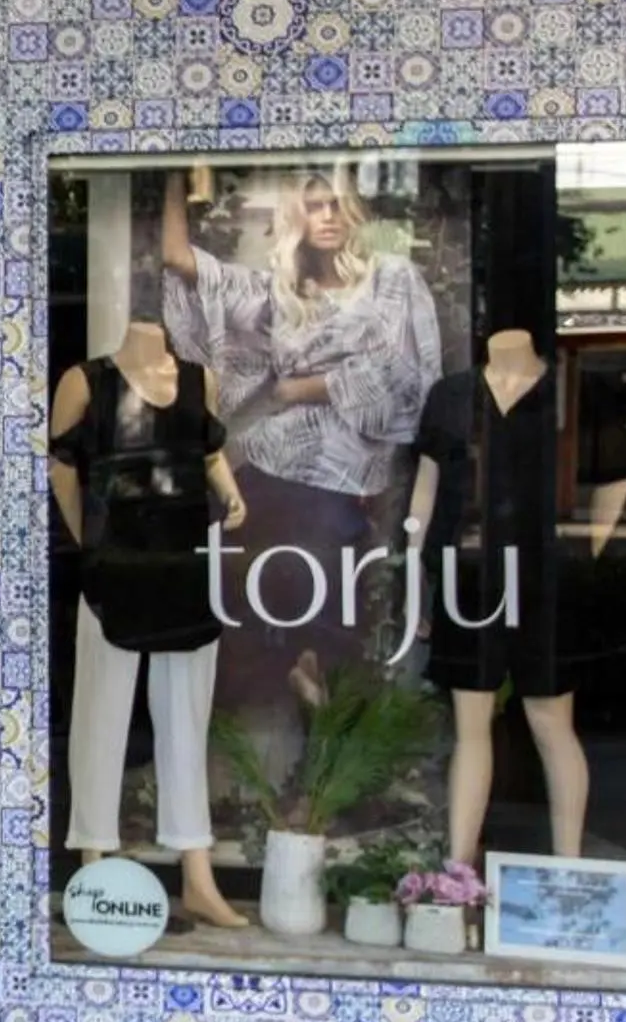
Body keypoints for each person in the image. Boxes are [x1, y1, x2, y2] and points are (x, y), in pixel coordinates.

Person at [161, 165, 439, 692]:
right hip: (277, 465)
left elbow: (402, 376)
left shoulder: (391, 280)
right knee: (239, 547)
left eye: (336, 204)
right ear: (297, 218)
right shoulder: (280, 294)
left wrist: (300, 388)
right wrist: (172, 170)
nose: (328, 216)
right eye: (314, 207)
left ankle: (311, 668)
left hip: (352, 474)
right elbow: (180, 260)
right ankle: (290, 666)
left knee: (331, 554)